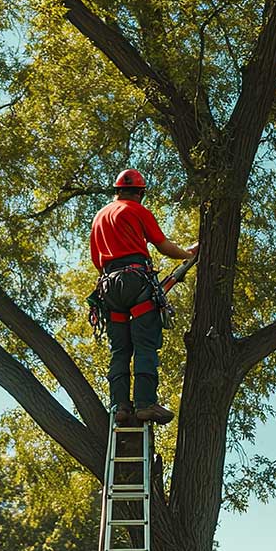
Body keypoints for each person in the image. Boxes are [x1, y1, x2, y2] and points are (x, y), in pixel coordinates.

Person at [90, 168, 196, 425]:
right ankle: (146, 403)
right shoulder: (136, 210)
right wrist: (188, 254)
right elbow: (163, 246)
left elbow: (96, 260)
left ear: (117, 190)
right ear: (140, 193)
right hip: (135, 281)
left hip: (108, 286)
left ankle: (120, 407)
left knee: (120, 350)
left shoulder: (99, 217)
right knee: (145, 344)